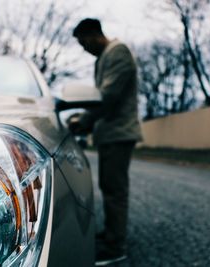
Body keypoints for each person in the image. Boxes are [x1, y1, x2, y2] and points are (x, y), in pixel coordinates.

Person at [70, 18, 142, 266]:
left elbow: (108, 96)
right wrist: (85, 119)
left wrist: (84, 120)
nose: (84, 48)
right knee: (110, 187)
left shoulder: (117, 52)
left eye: (83, 43)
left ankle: (115, 247)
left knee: (114, 191)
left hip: (119, 132)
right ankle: (112, 234)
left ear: (93, 36)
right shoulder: (105, 57)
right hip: (111, 132)